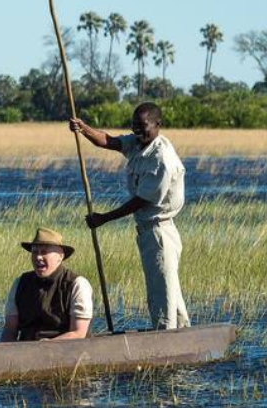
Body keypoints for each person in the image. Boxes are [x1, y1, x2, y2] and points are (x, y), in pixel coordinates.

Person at [68, 102, 191, 330]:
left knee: (162, 291)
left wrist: (104, 218)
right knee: (167, 287)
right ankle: (182, 333)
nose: (137, 131)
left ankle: (167, 338)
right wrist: (83, 128)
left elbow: (141, 200)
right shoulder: (138, 143)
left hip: (160, 232)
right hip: (148, 230)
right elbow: (110, 141)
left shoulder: (161, 158)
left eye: (143, 126)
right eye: (134, 126)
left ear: (157, 125)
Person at [0, 227, 94, 342]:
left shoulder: (77, 284)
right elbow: (10, 329)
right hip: (25, 351)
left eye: (44, 252)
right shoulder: (20, 283)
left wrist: (47, 346)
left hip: (68, 352)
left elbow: (78, 333)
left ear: (60, 256)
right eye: (35, 252)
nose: (38, 257)